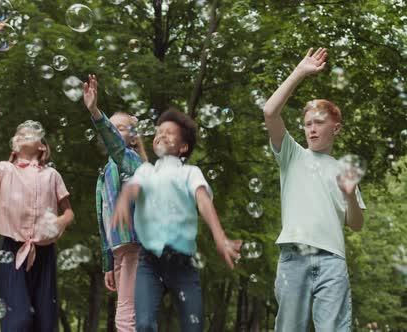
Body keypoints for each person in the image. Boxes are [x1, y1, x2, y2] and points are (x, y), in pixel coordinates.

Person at [263, 47, 366, 331]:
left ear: (336, 128)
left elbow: (356, 224)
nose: (311, 129)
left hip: (332, 262)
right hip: (293, 258)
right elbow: (270, 111)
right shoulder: (292, 155)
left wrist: (349, 194)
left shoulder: (344, 171)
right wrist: (300, 72)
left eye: (319, 122)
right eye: (307, 124)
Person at [113, 109, 241, 332]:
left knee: (194, 326)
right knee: (143, 324)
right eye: (159, 132)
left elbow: (203, 201)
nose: (161, 135)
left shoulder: (190, 172)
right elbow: (132, 188)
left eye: (169, 133)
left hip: (183, 264)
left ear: (183, 147)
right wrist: (123, 201)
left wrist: (220, 237)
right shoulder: (146, 171)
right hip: (149, 262)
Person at [0, 99, 74, 331]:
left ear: (42, 147)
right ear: (13, 147)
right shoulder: (4, 170)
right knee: (18, 322)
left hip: (45, 254)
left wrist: (62, 221)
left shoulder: (52, 175)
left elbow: (69, 211)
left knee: (45, 324)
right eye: (19, 133)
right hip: (12, 250)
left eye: (30, 132)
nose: (23, 133)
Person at [84, 74, 148, 331]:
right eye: (111, 126)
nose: (113, 130)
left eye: (119, 127)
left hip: (134, 244)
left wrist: (94, 111)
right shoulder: (104, 175)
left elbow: (117, 148)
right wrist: (107, 263)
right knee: (128, 307)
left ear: (133, 138)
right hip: (119, 248)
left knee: (126, 310)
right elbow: (103, 224)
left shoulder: (132, 161)